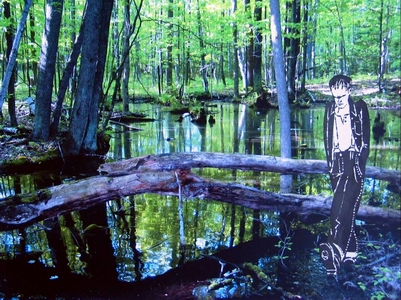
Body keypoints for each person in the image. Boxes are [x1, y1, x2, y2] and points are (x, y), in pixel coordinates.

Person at [319, 74, 370, 276]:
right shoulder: (329, 108)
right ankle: (351, 252)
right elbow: (326, 136)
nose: (338, 100)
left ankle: (335, 250)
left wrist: (359, 163)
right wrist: (331, 163)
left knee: (340, 209)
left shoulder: (360, 108)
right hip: (337, 162)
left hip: (353, 161)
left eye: (341, 96)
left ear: (349, 91)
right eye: (335, 96)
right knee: (346, 207)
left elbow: (366, 140)